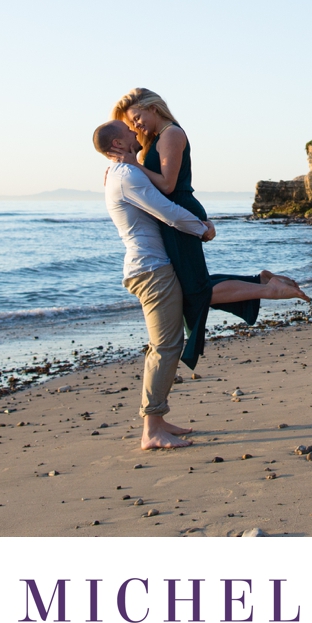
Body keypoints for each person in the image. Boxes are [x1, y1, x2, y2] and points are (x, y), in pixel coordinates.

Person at [115, 86, 310, 369]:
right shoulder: (159, 137)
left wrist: (134, 164)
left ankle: (269, 289)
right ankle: (261, 281)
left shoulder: (172, 133)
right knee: (192, 287)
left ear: (153, 108)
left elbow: (168, 184)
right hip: (176, 216)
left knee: (195, 291)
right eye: (131, 123)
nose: (136, 125)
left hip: (179, 215)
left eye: (137, 117)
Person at [94, 117, 219, 449]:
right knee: (165, 346)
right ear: (117, 145)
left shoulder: (124, 173)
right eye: (127, 132)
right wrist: (202, 228)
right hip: (150, 270)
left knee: (165, 344)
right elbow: (168, 212)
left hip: (149, 268)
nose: (135, 132)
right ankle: (152, 429)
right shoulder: (126, 176)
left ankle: (159, 419)